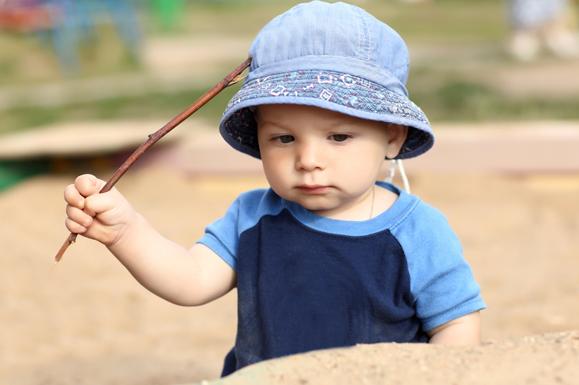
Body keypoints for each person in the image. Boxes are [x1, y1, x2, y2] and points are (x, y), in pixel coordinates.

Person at [63, 1, 486, 377]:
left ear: (392, 138)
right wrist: (126, 232)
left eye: (339, 137)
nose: (308, 159)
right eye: (284, 139)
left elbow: (455, 322)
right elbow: (191, 281)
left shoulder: (418, 232)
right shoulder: (253, 217)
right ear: (259, 136)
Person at [507, 0, 579, 61]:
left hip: (555, 23)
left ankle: (554, 30)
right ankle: (526, 29)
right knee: (523, 51)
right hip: (524, 25)